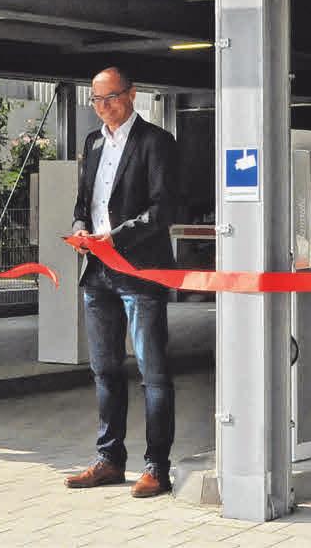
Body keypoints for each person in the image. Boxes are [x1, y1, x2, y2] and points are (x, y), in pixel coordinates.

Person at [63, 66, 179, 498]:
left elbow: (161, 209)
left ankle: (157, 467)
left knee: (153, 372)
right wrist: (80, 229)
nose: (103, 106)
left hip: (140, 272)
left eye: (110, 97)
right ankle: (110, 458)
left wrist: (115, 237)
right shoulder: (92, 143)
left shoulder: (156, 143)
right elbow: (84, 201)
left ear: (131, 95)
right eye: (95, 100)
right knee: (105, 370)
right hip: (97, 273)